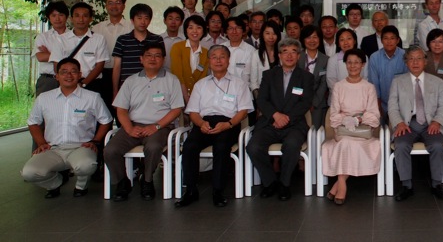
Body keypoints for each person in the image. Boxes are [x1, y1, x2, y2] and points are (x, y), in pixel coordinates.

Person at [22, 58, 113, 198]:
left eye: (73, 71)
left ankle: (81, 186)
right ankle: (55, 184)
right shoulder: (44, 98)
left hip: (81, 148)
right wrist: (41, 143)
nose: (69, 75)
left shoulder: (92, 97)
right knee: (29, 173)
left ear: (80, 75)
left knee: (87, 165)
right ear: (57, 76)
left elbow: (106, 120)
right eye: (64, 72)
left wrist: (95, 141)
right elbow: (33, 122)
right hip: (52, 149)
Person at [175, 45, 253, 208]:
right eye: (214, 57)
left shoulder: (239, 83)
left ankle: (218, 191)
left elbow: (243, 111)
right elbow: (193, 112)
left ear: (228, 60)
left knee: (221, 146)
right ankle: (191, 190)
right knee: (189, 146)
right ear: (209, 61)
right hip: (204, 123)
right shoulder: (201, 84)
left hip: (228, 123)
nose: (218, 60)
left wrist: (228, 124)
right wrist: (201, 123)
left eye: (222, 57)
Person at [105, 43, 184, 201]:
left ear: (163, 59)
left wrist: (156, 126)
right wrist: (129, 128)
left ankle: (147, 181)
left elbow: (176, 109)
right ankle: (122, 182)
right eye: (149, 55)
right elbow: (121, 109)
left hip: (160, 126)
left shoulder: (171, 80)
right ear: (141, 59)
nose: (153, 59)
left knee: (153, 147)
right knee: (110, 150)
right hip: (133, 125)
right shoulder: (131, 80)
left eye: (157, 56)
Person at [247, 38, 314, 201]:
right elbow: (262, 100)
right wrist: (275, 116)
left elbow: (305, 103)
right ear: (279, 55)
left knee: (291, 145)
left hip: (294, 125)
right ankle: (270, 182)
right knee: (253, 147)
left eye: (293, 52)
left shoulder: (306, 77)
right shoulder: (269, 75)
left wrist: (287, 118)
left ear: (299, 56)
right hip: (269, 123)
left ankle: (284, 183)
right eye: (285, 52)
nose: (289, 55)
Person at [388, 46, 443, 201]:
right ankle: (406, 186)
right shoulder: (397, 82)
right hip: (407, 125)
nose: (415, 62)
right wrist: (399, 123)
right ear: (406, 62)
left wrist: (437, 121)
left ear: (425, 61)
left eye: (419, 58)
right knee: (401, 145)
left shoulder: (437, 82)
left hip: (430, 124)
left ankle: (437, 185)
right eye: (411, 59)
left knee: (437, 145)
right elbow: (392, 106)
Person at [322, 49, 382, 205]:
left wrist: (359, 118)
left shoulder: (368, 87)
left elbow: (374, 116)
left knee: (348, 144)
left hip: (363, 133)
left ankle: (338, 185)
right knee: (345, 142)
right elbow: (334, 116)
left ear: (363, 65)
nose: (353, 66)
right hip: (343, 131)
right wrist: (347, 119)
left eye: (357, 62)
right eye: (349, 62)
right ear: (345, 64)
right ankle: (342, 185)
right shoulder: (338, 87)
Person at [49, 2, 109, 93]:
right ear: (71, 18)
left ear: (91, 19)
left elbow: (99, 66)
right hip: (67, 84)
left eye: (85, 16)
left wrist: (83, 83)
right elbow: (57, 65)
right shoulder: (60, 40)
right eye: (77, 16)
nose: (81, 19)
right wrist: (69, 82)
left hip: (92, 84)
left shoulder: (99, 39)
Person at [112, 4, 165, 101]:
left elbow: (161, 64)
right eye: (139, 18)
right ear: (132, 20)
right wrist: (115, 91)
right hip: (127, 89)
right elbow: (117, 67)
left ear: (150, 20)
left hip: (153, 88)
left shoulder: (157, 39)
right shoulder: (122, 40)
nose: (143, 22)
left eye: (146, 18)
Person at [93, 0, 132, 111]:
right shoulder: (96, 28)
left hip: (125, 73)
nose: (114, 6)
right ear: (105, 6)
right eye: (110, 3)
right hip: (102, 74)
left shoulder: (132, 27)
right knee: (104, 109)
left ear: (124, 6)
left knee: (125, 109)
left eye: (118, 3)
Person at [368, 26, 407, 119]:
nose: (389, 41)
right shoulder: (374, 57)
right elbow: (374, 83)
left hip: (401, 103)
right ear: (381, 40)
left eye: (392, 38)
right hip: (381, 102)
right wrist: (377, 105)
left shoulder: (405, 56)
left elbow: (408, 82)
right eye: (386, 38)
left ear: (398, 40)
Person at [33, 1, 69, 97]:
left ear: (67, 17)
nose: (57, 18)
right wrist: (65, 57)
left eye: (61, 15)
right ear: (49, 18)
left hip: (69, 79)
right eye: (53, 15)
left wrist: (49, 54)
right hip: (48, 80)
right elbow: (40, 57)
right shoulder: (42, 37)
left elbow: (77, 59)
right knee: (44, 106)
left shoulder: (74, 37)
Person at [170, 15, 209, 103]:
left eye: (198, 28)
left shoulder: (206, 53)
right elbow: (178, 75)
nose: (194, 31)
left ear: (203, 31)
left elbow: (202, 78)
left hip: (198, 98)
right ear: (186, 30)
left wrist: (195, 100)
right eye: (190, 28)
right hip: (178, 96)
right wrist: (188, 100)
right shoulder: (177, 47)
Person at [298, 25, 329, 129]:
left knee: (316, 131)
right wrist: (303, 100)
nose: (312, 40)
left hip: (318, 103)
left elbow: (324, 84)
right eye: (308, 37)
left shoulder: (326, 60)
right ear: (303, 40)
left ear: (320, 39)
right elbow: (293, 82)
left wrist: (314, 102)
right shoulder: (297, 57)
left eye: (315, 37)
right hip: (297, 101)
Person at [224, 16, 260, 94]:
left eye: (238, 28)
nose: (234, 32)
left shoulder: (252, 51)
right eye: (230, 28)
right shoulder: (220, 49)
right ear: (226, 31)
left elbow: (255, 78)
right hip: (222, 92)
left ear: (243, 31)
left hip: (244, 93)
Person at [327, 28, 369, 94]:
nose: (346, 42)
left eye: (349, 38)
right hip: (339, 96)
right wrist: (344, 95)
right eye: (342, 40)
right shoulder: (333, 59)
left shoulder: (363, 56)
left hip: (360, 94)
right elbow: (331, 82)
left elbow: (366, 78)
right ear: (338, 44)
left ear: (354, 41)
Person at [160, 6, 185, 71]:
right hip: (162, 73)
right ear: (164, 21)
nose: (173, 22)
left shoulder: (186, 40)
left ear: (181, 22)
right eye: (170, 19)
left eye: (177, 19)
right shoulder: (159, 39)